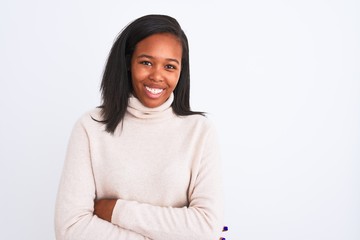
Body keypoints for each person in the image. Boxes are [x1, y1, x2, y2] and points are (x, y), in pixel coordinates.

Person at [55, 14, 225, 240]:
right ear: (128, 63)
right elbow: (71, 228)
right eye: (146, 62)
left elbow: (206, 227)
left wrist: (115, 210)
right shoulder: (91, 127)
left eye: (169, 66)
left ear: (180, 71)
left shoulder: (200, 132)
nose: (157, 76)